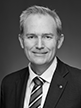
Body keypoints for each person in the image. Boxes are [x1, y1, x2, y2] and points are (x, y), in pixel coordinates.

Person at [0, 5, 81, 108]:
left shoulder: (78, 83)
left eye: (47, 37)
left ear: (59, 41)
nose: (39, 45)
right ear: (21, 41)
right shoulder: (8, 84)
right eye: (31, 37)